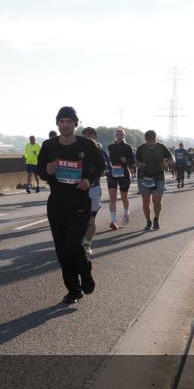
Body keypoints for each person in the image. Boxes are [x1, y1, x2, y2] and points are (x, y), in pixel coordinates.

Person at [37, 107, 105, 305]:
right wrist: (46, 170)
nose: (65, 125)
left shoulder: (87, 144)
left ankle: (85, 271)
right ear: (57, 124)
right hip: (57, 203)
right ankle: (74, 290)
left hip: (79, 202)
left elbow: (99, 166)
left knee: (73, 245)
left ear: (75, 124)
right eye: (61, 121)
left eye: (69, 121)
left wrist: (87, 179)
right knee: (62, 251)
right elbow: (41, 170)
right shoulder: (49, 146)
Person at [80, 127, 110, 258]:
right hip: (78, 190)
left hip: (93, 189)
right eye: (84, 135)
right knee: (78, 220)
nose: (87, 137)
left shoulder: (100, 151)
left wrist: (95, 173)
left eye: (90, 135)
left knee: (91, 220)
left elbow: (105, 168)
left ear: (95, 137)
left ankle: (87, 243)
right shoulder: (76, 150)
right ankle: (77, 243)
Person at [135, 130, 173, 230]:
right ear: (146, 140)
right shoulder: (141, 148)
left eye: (154, 140)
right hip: (144, 177)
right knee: (145, 201)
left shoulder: (162, 147)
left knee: (157, 201)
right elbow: (136, 162)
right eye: (149, 141)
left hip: (158, 177)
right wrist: (140, 164)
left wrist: (167, 163)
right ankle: (148, 222)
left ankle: (156, 219)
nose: (152, 143)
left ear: (156, 138)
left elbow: (172, 159)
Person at [106, 128, 136, 230]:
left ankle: (126, 213)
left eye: (121, 134)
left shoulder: (128, 147)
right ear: (115, 135)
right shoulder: (110, 147)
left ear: (124, 136)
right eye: (117, 134)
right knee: (112, 198)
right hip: (112, 173)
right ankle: (113, 221)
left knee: (124, 197)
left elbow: (132, 162)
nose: (119, 135)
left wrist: (126, 160)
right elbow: (109, 160)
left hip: (124, 174)